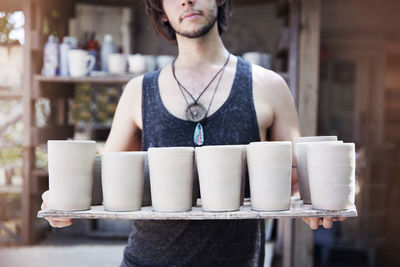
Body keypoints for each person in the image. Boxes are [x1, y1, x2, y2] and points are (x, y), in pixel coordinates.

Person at [41, 0, 345, 265]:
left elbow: (296, 181)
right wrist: (59, 197)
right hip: (146, 261)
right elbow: (105, 180)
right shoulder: (138, 91)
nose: (186, 0)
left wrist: (323, 199)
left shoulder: (268, 86)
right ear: (162, 11)